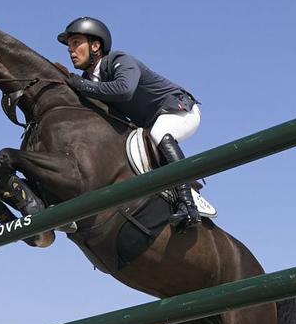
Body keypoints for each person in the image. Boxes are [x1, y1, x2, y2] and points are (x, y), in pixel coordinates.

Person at [58, 17, 206, 229]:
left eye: (76, 43)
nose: (70, 50)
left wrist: (81, 86)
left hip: (178, 109)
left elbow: (124, 90)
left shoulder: (119, 59)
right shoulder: (90, 80)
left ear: (95, 45)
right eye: (69, 45)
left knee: (160, 132)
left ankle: (188, 204)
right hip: (148, 124)